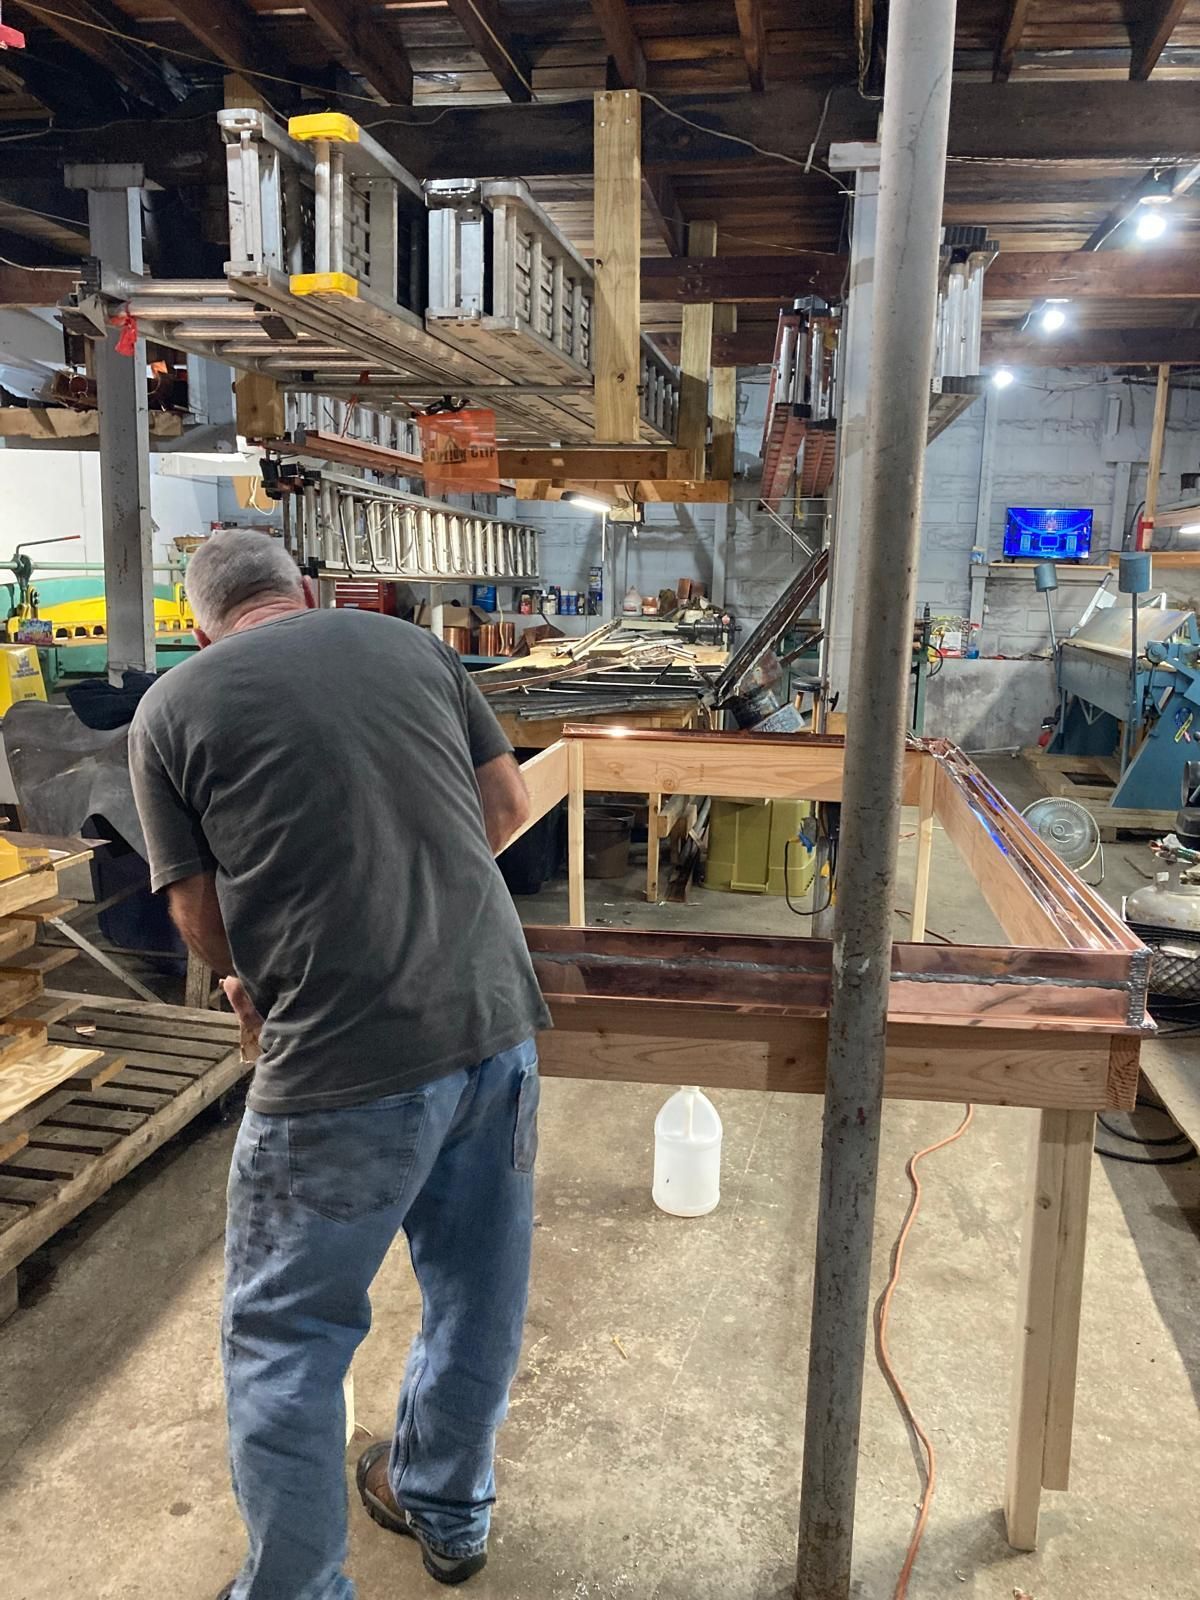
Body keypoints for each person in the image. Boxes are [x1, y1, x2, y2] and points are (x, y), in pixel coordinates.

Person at [127, 528, 551, 1599]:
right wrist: (417, 899)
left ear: (197, 623)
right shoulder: (414, 649)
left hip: (337, 1063)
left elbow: (192, 909)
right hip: (494, 1025)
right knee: (477, 1292)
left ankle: (299, 1587)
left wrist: (250, 982)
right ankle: (448, 1507)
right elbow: (507, 810)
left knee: (288, 1336)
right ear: (306, 590)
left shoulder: (172, 708)